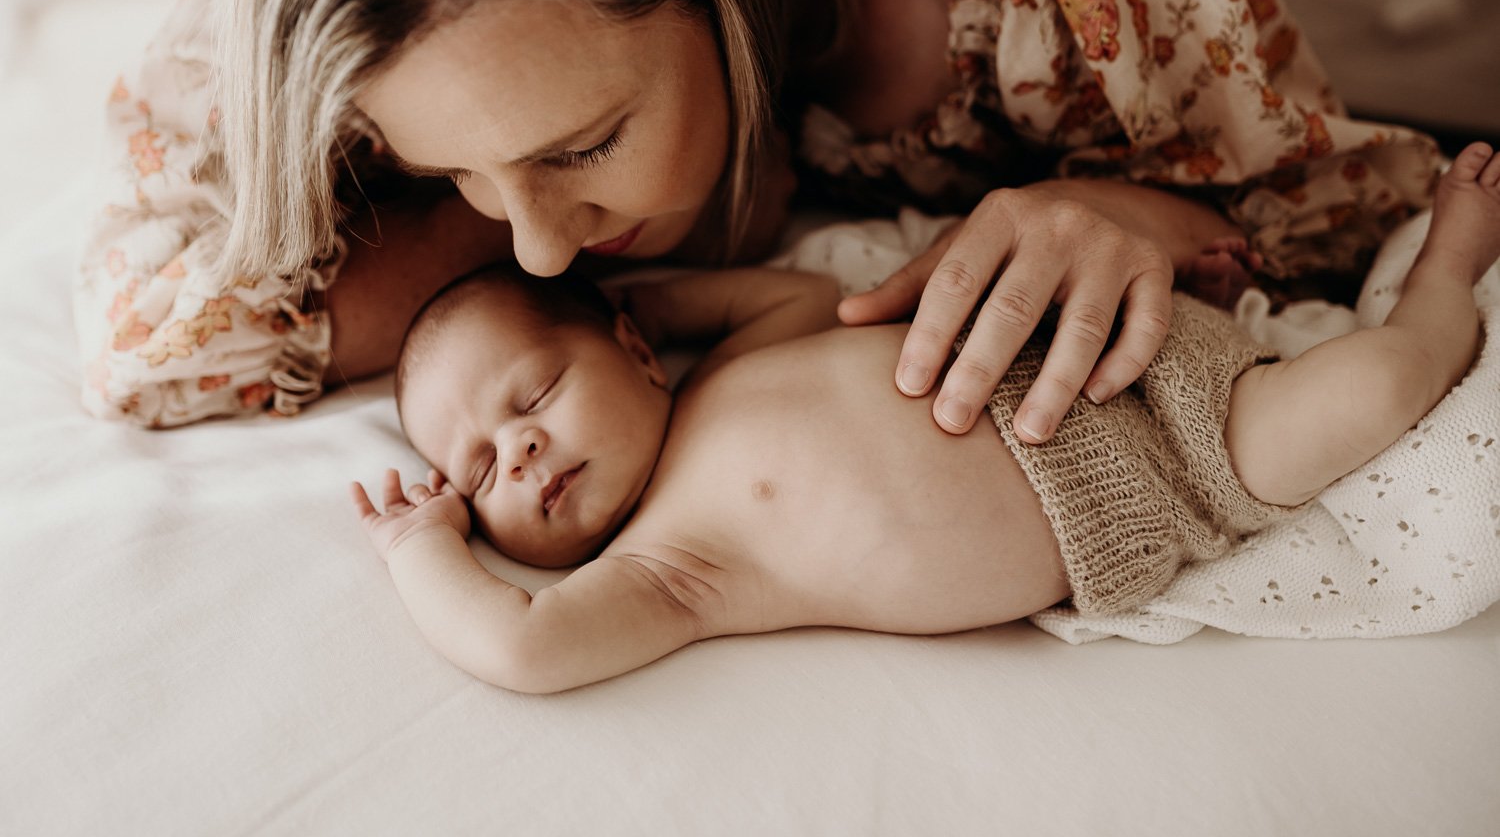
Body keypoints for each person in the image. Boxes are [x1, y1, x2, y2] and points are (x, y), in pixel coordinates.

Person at [76, 0, 1442, 433]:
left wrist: (1132, 212)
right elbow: (148, 342)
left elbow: (1337, 217)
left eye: (577, 146)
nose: (540, 260)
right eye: (450, 176)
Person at [351, 143, 1499, 694]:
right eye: (479, 468)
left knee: (1331, 363)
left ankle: (1408, 279)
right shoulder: (671, 570)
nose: (523, 453)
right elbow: (522, 645)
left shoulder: (722, 374)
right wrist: (419, 548)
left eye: (535, 397)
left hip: (1086, 335)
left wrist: (646, 302)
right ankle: (1451, 274)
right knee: (1379, 389)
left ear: (636, 349)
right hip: (1172, 469)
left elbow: (808, 297)